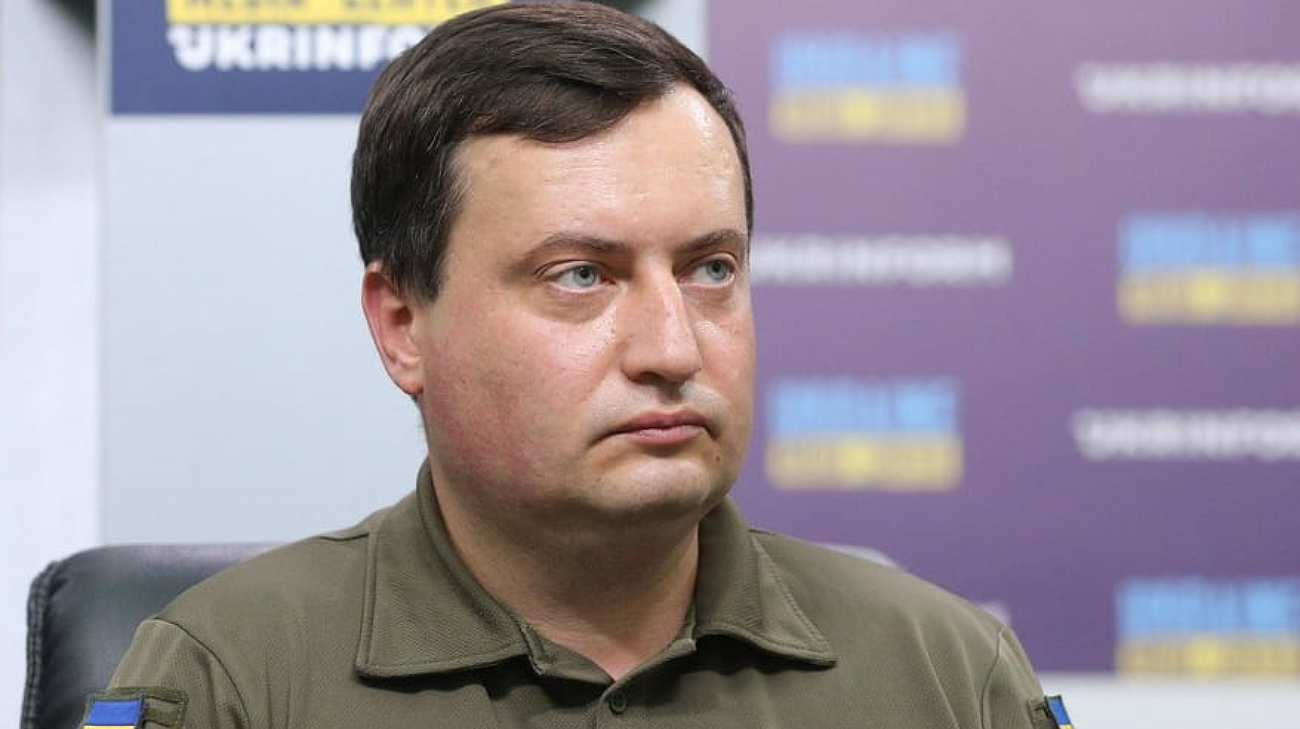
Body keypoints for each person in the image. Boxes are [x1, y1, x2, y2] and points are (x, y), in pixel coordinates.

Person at [95, 3, 1071, 728]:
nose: (672, 349)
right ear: (402, 326)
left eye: (711, 268)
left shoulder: (947, 675)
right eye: (580, 276)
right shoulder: (230, 678)